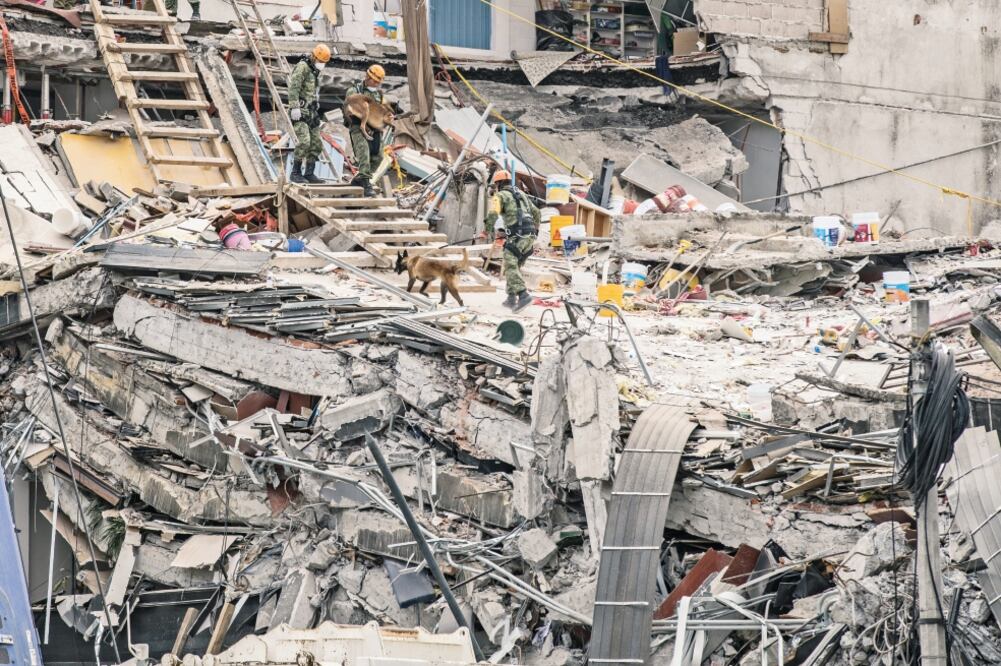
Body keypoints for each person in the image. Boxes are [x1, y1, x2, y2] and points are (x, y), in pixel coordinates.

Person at [484, 169, 540, 312]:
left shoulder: (500, 196)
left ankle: (523, 295)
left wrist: (486, 230)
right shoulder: (522, 194)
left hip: (517, 235)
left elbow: (492, 213)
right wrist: (536, 229)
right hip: (529, 236)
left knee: (509, 264)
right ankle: (511, 298)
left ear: (499, 184)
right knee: (514, 266)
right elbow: (537, 212)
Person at [287, 44, 331, 184]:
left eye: (324, 62)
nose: (322, 64)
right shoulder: (303, 67)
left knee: (316, 144)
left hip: (311, 113)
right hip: (300, 112)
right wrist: (294, 107)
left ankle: (309, 173)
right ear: (314, 57)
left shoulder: (314, 71)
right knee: (304, 142)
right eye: (321, 61)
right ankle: (295, 173)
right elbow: (294, 87)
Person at [343, 64, 386, 196]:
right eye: (374, 81)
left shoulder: (378, 94)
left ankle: (361, 178)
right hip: (358, 127)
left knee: (378, 157)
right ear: (367, 76)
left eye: (378, 82)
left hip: (375, 129)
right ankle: (366, 184)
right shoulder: (354, 90)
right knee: (364, 154)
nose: (376, 84)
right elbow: (350, 108)